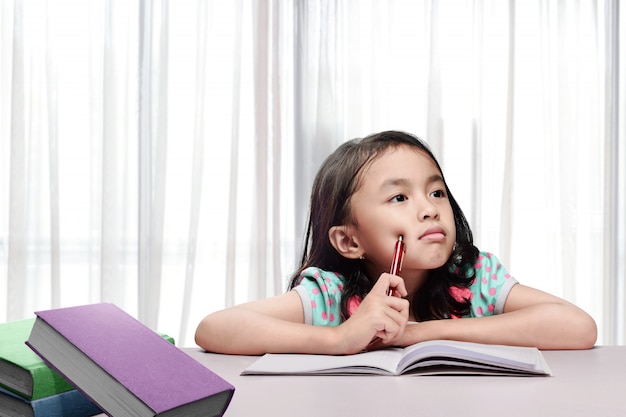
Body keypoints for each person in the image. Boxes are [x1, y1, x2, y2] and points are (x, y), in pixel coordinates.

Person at [195, 130, 597, 355]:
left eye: (436, 192)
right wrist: (339, 338)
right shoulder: (330, 294)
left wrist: (420, 333)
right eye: (400, 198)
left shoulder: (473, 277)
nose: (429, 209)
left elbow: (578, 328)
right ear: (349, 241)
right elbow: (215, 329)